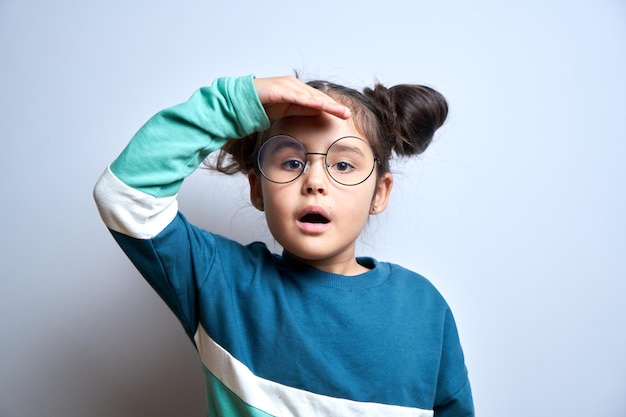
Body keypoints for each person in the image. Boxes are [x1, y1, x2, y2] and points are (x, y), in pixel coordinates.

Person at [94, 74, 474, 417]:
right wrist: (236, 104)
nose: (315, 181)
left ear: (380, 192)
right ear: (257, 187)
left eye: (343, 165)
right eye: (291, 162)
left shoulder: (425, 308)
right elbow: (126, 195)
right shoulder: (219, 282)